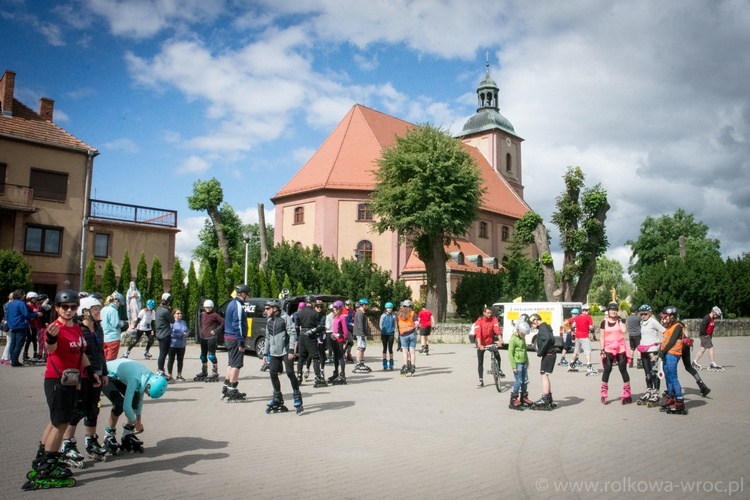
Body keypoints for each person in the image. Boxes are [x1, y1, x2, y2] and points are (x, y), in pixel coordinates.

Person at [23, 290, 100, 491]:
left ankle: (43, 457)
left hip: (71, 380)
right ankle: (49, 464)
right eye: (64, 307)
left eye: (72, 307)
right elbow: (52, 349)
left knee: (56, 420)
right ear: (57, 308)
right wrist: (49, 339)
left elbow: (80, 353)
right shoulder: (55, 328)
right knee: (61, 423)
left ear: (77, 309)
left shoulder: (75, 328)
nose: (68, 310)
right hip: (57, 380)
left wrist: (91, 372)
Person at [60, 296, 109, 466]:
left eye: (99, 308)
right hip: (81, 375)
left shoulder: (98, 328)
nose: (98, 311)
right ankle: (68, 444)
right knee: (76, 409)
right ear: (85, 312)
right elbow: (77, 354)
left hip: (96, 373)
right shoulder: (79, 329)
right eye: (95, 309)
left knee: (93, 409)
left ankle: (91, 441)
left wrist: (104, 373)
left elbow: (101, 352)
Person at [101, 358, 168, 453]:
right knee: (119, 403)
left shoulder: (147, 378)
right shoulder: (135, 379)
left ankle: (127, 433)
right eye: (148, 393)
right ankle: (109, 435)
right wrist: (136, 423)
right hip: (106, 374)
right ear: (148, 386)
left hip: (119, 375)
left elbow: (140, 400)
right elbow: (126, 407)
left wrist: (139, 420)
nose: (147, 394)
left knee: (135, 398)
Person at [264, 299, 303, 414]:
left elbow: (292, 333)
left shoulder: (285, 318)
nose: (265, 311)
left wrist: (291, 350)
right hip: (274, 352)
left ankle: (297, 395)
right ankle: (277, 397)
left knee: (290, 372)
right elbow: (267, 337)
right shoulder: (269, 320)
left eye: (267, 308)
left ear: (275, 308)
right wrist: (265, 353)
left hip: (286, 351)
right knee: (272, 373)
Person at [222, 285, 251, 401]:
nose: (249, 297)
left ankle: (226, 386)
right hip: (235, 338)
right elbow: (237, 324)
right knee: (236, 364)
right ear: (243, 294)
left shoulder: (231, 303)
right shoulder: (238, 306)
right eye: (248, 294)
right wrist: (241, 341)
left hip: (229, 337)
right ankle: (232, 389)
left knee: (231, 362)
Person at [599, 302, 631, 405]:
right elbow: (602, 337)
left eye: (615, 310)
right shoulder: (604, 322)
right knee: (607, 369)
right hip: (608, 348)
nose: (613, 311)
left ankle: (627, 391)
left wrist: (621, 320)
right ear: (608, 311)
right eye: (611, 310)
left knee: (623, 369)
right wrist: (602, 350)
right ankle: (604, 391)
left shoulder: (619, 321)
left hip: (620, 348)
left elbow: (624, 330)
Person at [658, 306, 688, 415]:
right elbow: (665, 340)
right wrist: (660, 351)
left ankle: (679, 400)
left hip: (672, 354)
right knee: (668, 376)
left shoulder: (677, 326)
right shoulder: (669, 327)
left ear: (672, 316)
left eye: (666, 317)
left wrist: (663, 351)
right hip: (666, 354)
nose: (664, 319)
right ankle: (671, 396)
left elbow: (671, 341)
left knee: (673, 377)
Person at [636, 305, 665, 407]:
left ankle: (656, 393)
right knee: (647, 373)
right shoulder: (642, 322)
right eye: (641, 314)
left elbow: (664, 331)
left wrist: (662, 345)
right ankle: (649, 391)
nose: (643, 316)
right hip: (644, 349)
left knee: (654, 373)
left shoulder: (653, 322)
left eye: (645, 314)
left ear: (650, 313)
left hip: (653, 350)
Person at [296, 295, 326, 387]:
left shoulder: (299, 313)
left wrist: (299, 336)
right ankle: (317, 376)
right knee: (315, 357)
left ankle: (299, 376)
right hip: (310, 336)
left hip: (302, 336)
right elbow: (319, 327)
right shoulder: (315, 313)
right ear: (313, 303)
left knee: (301, 357)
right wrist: (317, 330)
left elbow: (296, 327)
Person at [530, 313, 557, 410]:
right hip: (550, 354)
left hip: (548, 355)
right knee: (545, 375)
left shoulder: (542, 327)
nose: (532, 326)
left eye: (532, 324)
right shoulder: (546, 326)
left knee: (544, 375)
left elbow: (548, 339)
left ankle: (545, 398)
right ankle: (549, 397)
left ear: (535, 321)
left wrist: (540, 352)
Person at [6, 289, 38, 366]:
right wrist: (36, 314)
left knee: (13, 344)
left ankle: (12, 359)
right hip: (21, 325)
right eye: (23, 294)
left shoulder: (10, 304)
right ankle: (14, 360)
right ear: (20, 295)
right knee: (19, 344)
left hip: (12, 325)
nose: (24, 296)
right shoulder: (21, 304)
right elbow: (26, 315)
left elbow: (7, 315)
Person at [472, 306, 502, 388]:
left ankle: (499, 369)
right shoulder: (479, 321)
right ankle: (481, 380)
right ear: (484, 313)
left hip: (490, 342)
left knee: (497, 354)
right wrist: (479, 344)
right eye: (488, 313)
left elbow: (497, 329)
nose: (489, 314)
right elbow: (478, 333)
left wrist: (500, 340)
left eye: (490, 313)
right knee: (480, 362)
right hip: (481, 343)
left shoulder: (494, 319)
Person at [195, 299, 224, 382]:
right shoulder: (203, 315)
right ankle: (204, 371)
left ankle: (215, 372)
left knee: (211, 356)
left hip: (211, 338)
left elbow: (223, 322)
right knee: (203, 356)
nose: (207, 309)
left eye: (209, 307)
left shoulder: (215, 315)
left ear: (211, 307)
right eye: (206, 307)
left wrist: (216, 330)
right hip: (203, 338)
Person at [508, 320, 531, 410]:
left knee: (525, 380)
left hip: (523, 362)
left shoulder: (523, 338)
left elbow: (525, 351)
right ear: (518, 331)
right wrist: (513, 366)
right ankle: (514, 399)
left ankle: (524, 397)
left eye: (525, 334)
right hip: (517, 363)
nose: (524, 336)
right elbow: (510, 353)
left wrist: (527, 362)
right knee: (519, 381)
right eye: (523, 334)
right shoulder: (513, 339)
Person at [693, 306, 724, 372]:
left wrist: (710, 336)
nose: (717, 316)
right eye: (717, 315)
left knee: (702, 349)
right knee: (711, 348)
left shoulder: (712, 318)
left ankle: (695, 361)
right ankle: (712, 363)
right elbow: (702, 326)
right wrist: (706, 334)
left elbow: (711, 328)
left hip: (707, 336)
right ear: (714, 312)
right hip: (704, 335)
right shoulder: (707, 318)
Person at [567, 303, 595, 374]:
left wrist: (573, 335)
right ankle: (589, 366)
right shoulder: (588, 317)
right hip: (584, 336)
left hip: (577, 336)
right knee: (587, 351)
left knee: (576, 351)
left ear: (582, 310)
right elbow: (591, 327)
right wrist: (593, 334)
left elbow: (573, 326)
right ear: (588, 310)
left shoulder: (577, 317)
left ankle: (571, 364)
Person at [24, 292, 50, 361]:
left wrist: (46, 300)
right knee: (36, 340)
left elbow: (45, 306)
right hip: (34, 325)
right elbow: (27, 314)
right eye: (35, 299)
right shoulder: (28, 305)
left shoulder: (47, 305)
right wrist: (34, 315)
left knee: (43, 340)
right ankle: (37, 354)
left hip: (43, 325)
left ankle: (45, 354)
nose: (37, 300)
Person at [154, 293, 175, 377]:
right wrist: (170, 310)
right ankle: (160, 371)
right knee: (163, 354)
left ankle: (161, 370)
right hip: (165, 334)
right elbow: (172, 321)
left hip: (159, 334)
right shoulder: (166, 311)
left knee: (161, 353)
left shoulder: (158, 309)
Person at [328, 300, 349, 384]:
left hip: (339, 339)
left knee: (340, 356)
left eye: (335, 308)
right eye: (333, 308)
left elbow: (345, 331)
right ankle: (336, 372)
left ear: (339, 308)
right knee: (335, 356)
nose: (334, 309)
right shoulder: (335, 317)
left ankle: (342, 374)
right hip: (334, 339)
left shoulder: (342, 317)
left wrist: (342, 336)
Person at [397, 300, 419, 377]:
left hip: (403, 335)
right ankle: (412, 366)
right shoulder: (412, 313)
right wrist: (413, 327)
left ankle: (405, 366)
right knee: (412, 351)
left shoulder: (399, 314)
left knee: (405, 352)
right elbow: (417, 323)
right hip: (412, 334)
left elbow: (398, 324)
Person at [101, 292, 125, 360]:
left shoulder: (103, 309)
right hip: (113, 338)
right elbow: (116, 324)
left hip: (104, 337)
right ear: (116, 301)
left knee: (105, 359)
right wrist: (123, 323)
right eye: (119, 303)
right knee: (111, 360)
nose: (119, 305)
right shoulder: (113, 310)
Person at [167, 309, 188, 382]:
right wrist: (181, 335)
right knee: (171, 359)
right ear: (174, 315)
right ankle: (170, 375)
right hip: (173, 344)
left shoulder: (183, 322)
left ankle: (179, 375)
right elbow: (171, 333)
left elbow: (187, 330)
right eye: (178, 313)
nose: (180, 314)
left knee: (180, 359)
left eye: (181, 313)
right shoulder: (171, 323)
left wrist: (186, 334)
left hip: (182, 344)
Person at [352, 299, 372, 373]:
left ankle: (361, 362)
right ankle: (358, 363)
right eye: (366, 305)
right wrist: (362, 333)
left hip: (361, 333)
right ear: (363, 305)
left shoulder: (361, 312)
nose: (367, 306)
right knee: (360, 347)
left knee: (362, 348)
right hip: (360, 334)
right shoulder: (360, 313)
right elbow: (360, 324)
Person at [379, 302, 397, 370]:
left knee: (390, 349)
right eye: (388, 308)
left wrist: (394, 330)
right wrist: (383, 331)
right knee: (384, 348)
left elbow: (395, 324)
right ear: (386, 308)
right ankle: (384, 362)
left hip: (391, 334)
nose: (389, 309)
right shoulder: (383, 316)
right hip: (384, 334)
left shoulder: (393, 316)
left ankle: (391, 362)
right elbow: (380, 324)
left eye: (390, 308)